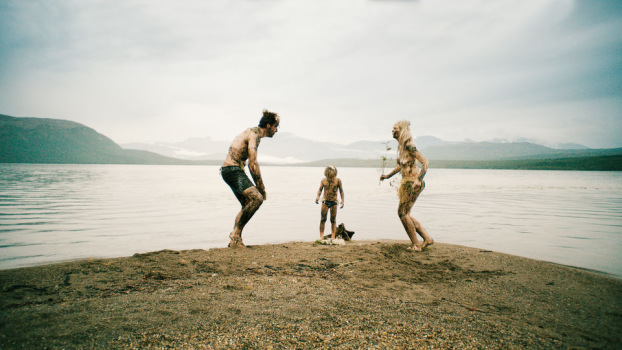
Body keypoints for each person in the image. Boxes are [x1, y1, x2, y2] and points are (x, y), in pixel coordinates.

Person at [221, 110, 280, 248]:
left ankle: (235, 240)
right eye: (275, 126)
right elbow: (252, 163)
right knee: (257, 198)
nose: (276, 130)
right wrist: (261, 188)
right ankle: (235, 234)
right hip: (232, 169)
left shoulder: (252, 132)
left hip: (231, 170)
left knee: (247, 204)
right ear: (268, 125)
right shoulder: (254, 135)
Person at [379, 120, 434, 251]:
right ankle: (427, 238)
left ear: (402, 130)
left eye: (395, 128)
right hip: (407, 183)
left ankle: (416, 245)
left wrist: (419, 179)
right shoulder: (402, 147)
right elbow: (401, 166)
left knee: (402, 213)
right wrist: (387, 176)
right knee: (406, 214)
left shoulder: (409, 145)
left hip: (413, 183)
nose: (392, 131)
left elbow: (425, 162)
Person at [315, 165, 345, 240]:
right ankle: (321, 236)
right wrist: (318, 197)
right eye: (329, 176)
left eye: (332, 176)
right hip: (325, 201)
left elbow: (341, 191)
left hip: (334, 202)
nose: (330, 178)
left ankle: (333, 237)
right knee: (323, 219)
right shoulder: (323, 180)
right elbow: (320, 190)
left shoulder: (338, 180)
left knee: (333, 220)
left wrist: (342, 201)